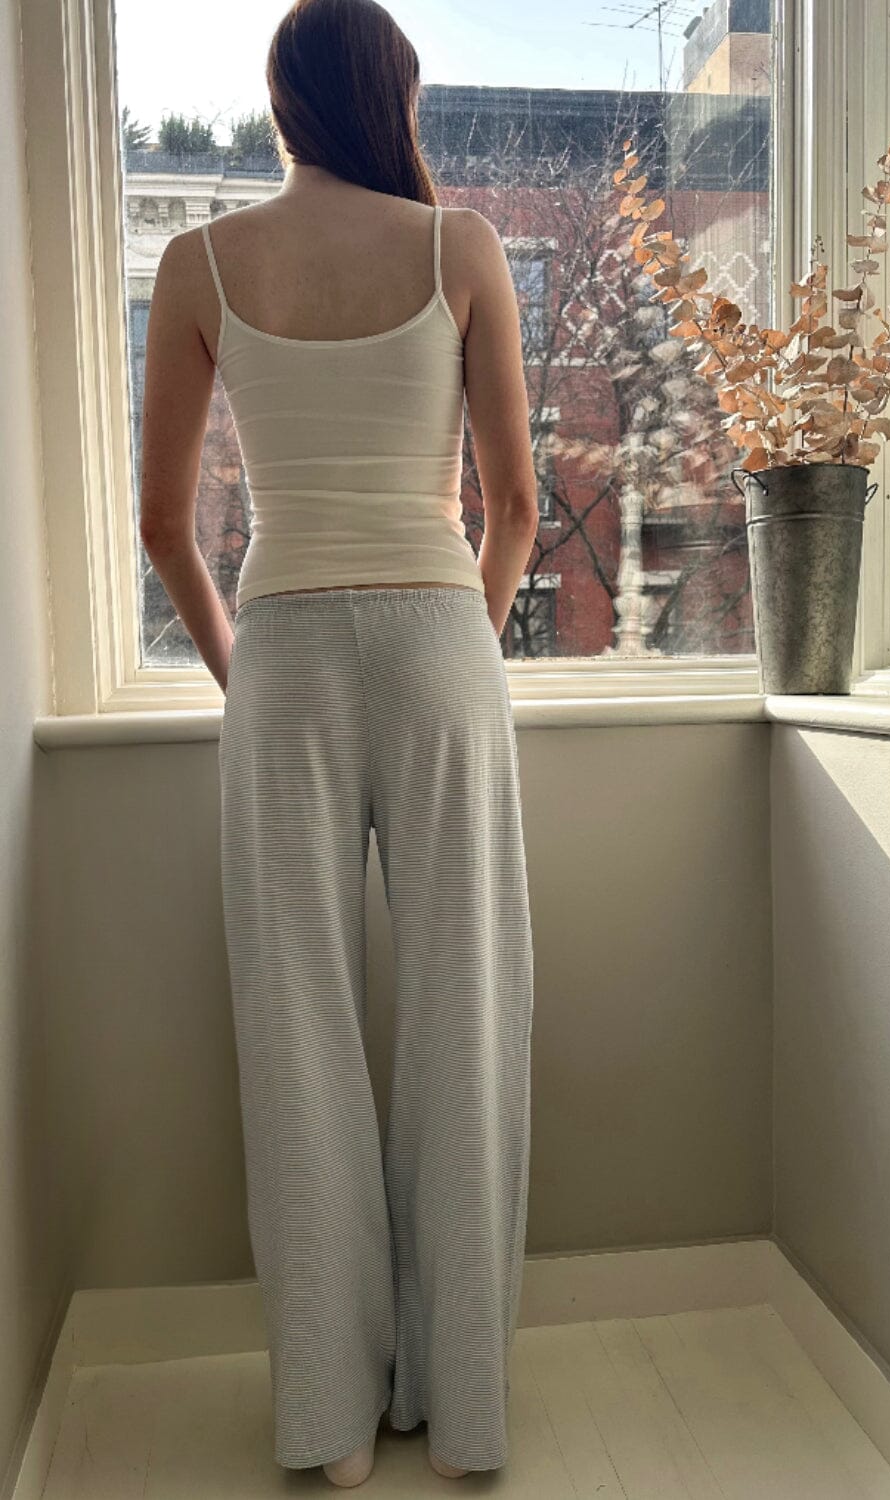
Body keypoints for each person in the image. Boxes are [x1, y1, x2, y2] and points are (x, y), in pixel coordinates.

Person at [138, 0, 538, 1486]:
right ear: (394, 98)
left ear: (282, 102)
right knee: (463, 1015)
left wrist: (245, 672)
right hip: (441, 639)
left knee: (294, 1024)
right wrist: (456, 646)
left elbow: (163, 528)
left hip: (288, 651)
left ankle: (330, 1426)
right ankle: (464, 1416)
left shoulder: (199, 264)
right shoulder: (462, 248)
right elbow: (513, 508)